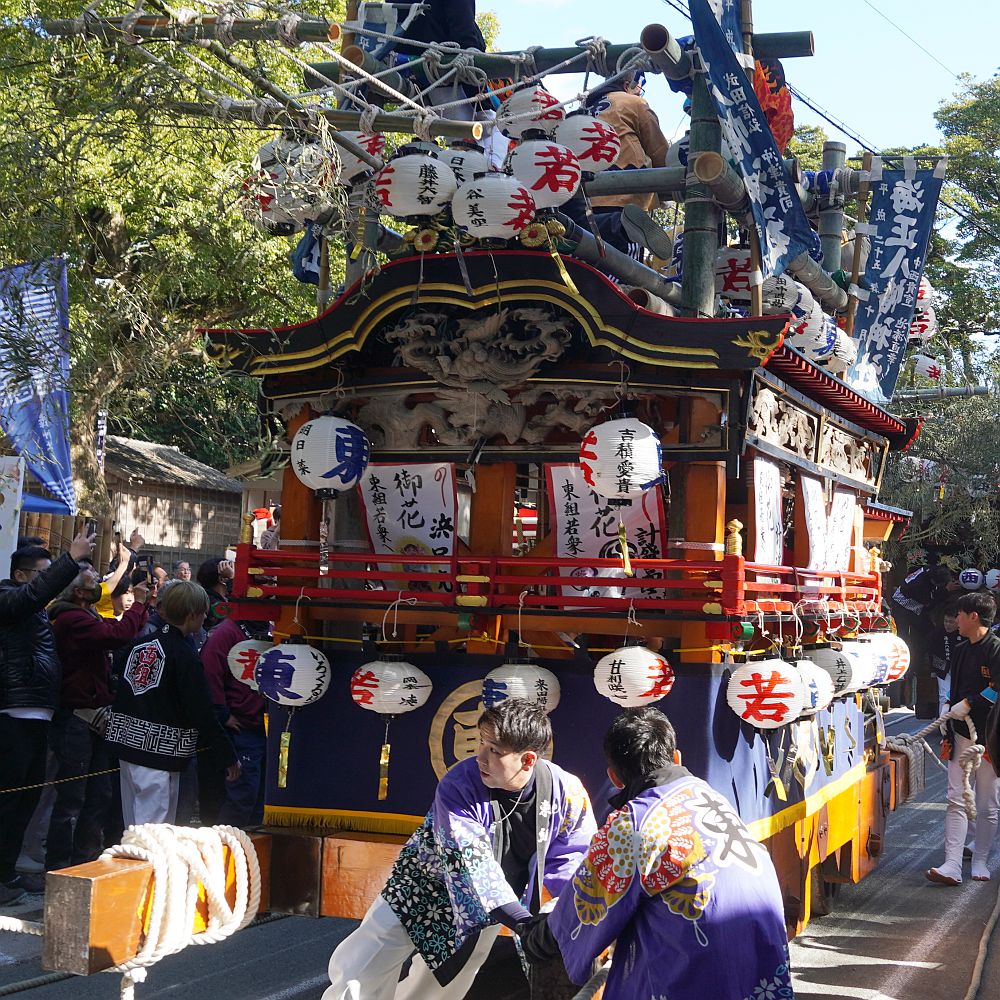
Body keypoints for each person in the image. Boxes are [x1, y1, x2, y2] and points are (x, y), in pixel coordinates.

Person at [323, 698, 596, 1000]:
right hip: (424, 886)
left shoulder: (566, 791)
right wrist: (523, 923)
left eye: (494, 750)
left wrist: (571, 914)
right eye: (481, 743)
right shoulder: (459, 784)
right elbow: (471, 864)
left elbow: (575, 861)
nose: (480, 757)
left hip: (488, 908)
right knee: (364, 966)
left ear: (528, 759)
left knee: (440, 989)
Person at [519, 707, 794, 1000]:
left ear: (614, 778)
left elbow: (583, 908)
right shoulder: (710, 797)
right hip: (762, 954)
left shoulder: (633, 824)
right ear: (677, 757)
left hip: (701, 968)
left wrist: (535, 938)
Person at [0, 529, 96, 904]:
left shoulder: (32, 606)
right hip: (13, 713)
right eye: (41, 573)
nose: (47, 581)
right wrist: (70, 559)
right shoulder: (8, 597)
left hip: (39, 714)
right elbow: (34, 594)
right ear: (20, 575)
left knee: (26, 801)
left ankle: (7, 873)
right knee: (8, 801)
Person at [105, 581, 239, 826]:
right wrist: (227, 755)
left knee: (134, 824)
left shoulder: (139, 644)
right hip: (160, 753)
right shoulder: (184, 655)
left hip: (127, 744)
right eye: (203, 613)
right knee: (153, 831)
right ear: (191, 615)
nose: (205, 618)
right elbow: (201, 710)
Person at [45, 564, 151, 872]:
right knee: (72, 797)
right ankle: (61, 865)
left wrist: (141, 605)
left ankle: (86, 860)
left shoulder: (87, 615)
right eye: (92, 578)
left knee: (100, 794)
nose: (99, 581)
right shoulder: (71, 619)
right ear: (79, 592)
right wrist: (139, 604)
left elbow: (124, 631)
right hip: (76, 718)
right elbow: (117, 634)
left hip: (96, 717)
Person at [926, 590, 1000, 885]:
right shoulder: (959, 650)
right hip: (960, 734)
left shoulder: (995, 649)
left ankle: (980, 858)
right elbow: (955, 688)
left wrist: (970, 703)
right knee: (956, 798)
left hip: (990, 737)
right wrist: (949, 707)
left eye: (959, 614)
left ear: (973, 616)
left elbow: (997, 689)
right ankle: (952, 864)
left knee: (987, 802)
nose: (955, 619)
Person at [561, 71, 672, 263]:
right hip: (622, 193)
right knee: (626, 268)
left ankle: (621, 226)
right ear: (627, 84)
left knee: (588, 261)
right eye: (639, 89)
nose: (640, 93)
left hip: (579, 197)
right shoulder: (633, 103)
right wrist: (667, 189)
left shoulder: (582, 112)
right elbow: (660, 152)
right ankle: (625, 227)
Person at [200, 617, 269, 827]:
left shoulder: (275, 628)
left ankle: (253, 843)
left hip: (266, 726)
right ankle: (224, 843)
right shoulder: (226, 632)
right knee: (242, 796)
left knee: (262, 799)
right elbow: (210, 674)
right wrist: (222, 713)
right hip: (241, 726)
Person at [928, 605, 962, 717]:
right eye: (945, 621)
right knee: (944, 696)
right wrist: (933, 669)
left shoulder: (964, 633)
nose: (947, 624)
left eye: (951, 622)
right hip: (943, 669)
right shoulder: (937, 633)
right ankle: (943, 723)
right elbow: (931, 651)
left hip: (961, 668)